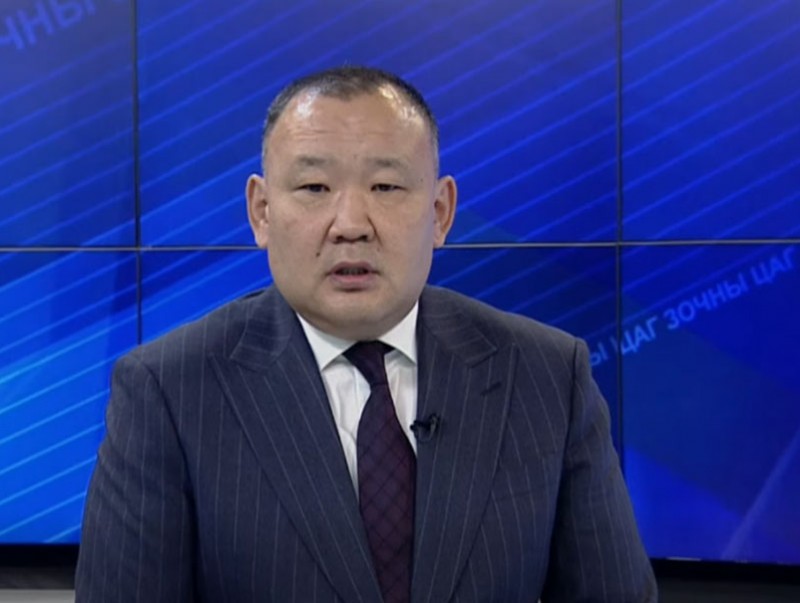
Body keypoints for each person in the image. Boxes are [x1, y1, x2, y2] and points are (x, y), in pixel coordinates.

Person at [76, 66, 657, 602]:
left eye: (385, 187)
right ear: (261, 211)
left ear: (441, 212)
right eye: (314, 188)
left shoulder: (548, 376)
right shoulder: (168, 392)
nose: (351, 225)